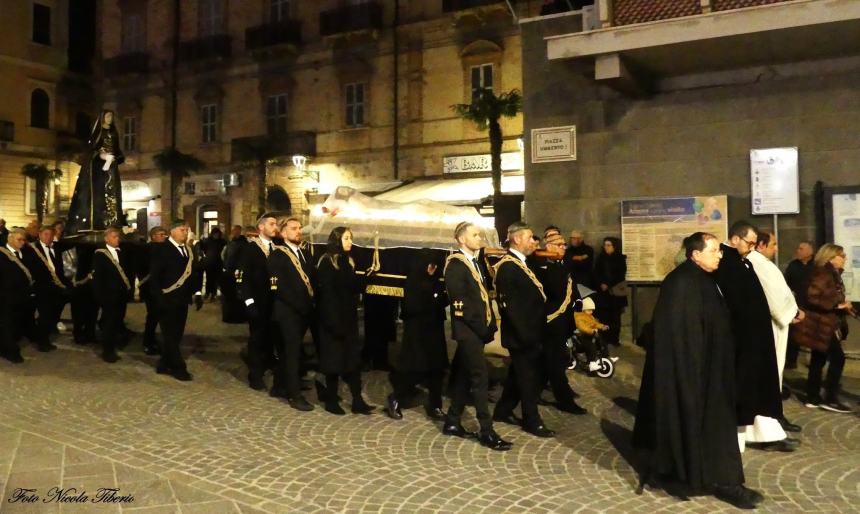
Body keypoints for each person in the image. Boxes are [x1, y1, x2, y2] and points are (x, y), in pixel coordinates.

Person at [633, 232, 762, 510]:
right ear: (696, 254)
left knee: (710, 427)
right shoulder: (682, 283)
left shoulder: (701, 279)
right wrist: (696, 375)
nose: (720, 254)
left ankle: (699, 474)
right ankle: (725, 483)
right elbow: (680, 336)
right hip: (699, 374)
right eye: (714, 250)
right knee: (710, 427)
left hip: (710, 371)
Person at [714, 221, 791, 453]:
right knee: (743, 393)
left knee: (753, 392)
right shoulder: (727, 264)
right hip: (741, 342)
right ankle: (736, 442)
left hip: (753, 339)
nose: (752, 247)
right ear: (735, 239)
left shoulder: (741, 261)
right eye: (749, 242)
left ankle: (760, 433)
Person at [443, 222, 511, 451]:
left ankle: (452, 421)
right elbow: (460, 304)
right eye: (475, 235)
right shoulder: (456, 265)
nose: (480, 238)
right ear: (462, 240)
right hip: (468, 330)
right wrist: (481, 328)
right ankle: (486, 431)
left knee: (463, 376)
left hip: (477, 329)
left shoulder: (475, 263)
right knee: (480, 377)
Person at [492, 222, 555, 438]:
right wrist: (527, 336)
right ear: (517, 239)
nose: (534, 241)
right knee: (530, 380)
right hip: (522, 336)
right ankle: (532, 420)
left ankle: (502, 410)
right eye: (530, 237)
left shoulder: (523, 264)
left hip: (531, 332)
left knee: (517, 376)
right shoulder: (508, 267)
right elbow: (510, 307)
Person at [746, 230, 805, 437]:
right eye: (773, 244)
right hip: (769, 325)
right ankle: (770, 421)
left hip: (777, 323)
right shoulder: (756, 263)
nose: (777, 248)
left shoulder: (760, 262)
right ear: (760, 245)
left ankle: (774, 417)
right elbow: (773, 295)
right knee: (770, 372)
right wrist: (792, 313)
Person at [315, 227, 375, 415]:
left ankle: (358, 401)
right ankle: (331, 400)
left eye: (351, 238)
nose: (350, 242)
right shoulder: (327, 262)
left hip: (348, 318)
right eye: (346, 238)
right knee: (334, 361)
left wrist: (367, 276)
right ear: (337, 240)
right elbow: (327, 295)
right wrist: (332, 322)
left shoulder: (348, 261)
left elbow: (352, 287)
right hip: (332, 319)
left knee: (352, 361)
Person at [384, 249, 449, 421]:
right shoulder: (413, 281)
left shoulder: (435, 281)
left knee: (436, 370)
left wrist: (436, 297)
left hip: (434, 330)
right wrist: (433, 298)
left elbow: (441, 301)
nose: (432, 269)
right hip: (418, 333)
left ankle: (435, 405)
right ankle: (395, 398)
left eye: (435, 265)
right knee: (415, 370)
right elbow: (411, 307)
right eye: (430, 265)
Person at [791, 244, 854, 413]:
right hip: (819, 324)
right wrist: (836, 305)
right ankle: (830, 398)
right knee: (837, 358)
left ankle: (812, 397)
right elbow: (812, 297)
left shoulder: (831, 273)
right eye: (842, 255)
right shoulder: (823, 273)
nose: (845, 258)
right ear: (832, 257)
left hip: (823, 323)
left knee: (818, 359)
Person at [532, 231, 586, 415]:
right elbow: (554, 290)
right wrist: (561, 265)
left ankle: (533, 393)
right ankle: (565, 400)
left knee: (546, 360)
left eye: (565, 245)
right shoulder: (543, 266)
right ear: (550, 247)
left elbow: (572, 286)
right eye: (560, 245)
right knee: (556, 361)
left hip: (563, 320)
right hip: (551, 320)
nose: (564, 248)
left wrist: (578, 302)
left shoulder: (561, 264)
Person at [268, 218, 315, 412]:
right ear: (283, 233)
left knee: (291, 352)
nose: (298, 232)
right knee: (292, 353)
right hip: (287, 312)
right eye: (293, 229)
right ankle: (294, 395)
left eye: (299, 228)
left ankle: (280, 385)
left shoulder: (303, 253)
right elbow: (276, 287)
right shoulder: (277, 255)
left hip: (302, 311)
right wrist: (298, 304)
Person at [149, 220, 203, 381]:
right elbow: (155, 277)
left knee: (176, 334)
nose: (185, 233)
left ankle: (164, 363)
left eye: (186, 230)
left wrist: (198, 292)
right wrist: (158, 299)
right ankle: (178, 368)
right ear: (172, 231)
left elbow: (194, 274)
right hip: (167, 298)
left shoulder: (188, 250)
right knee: (170, 335)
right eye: (182, 230)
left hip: (182, 300)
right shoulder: (162, 249)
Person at [66, 110, 125, 235]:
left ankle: (113, 221)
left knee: (113, 191)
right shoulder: (98, 132)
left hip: (111, 166)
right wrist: (101, 155)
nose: (110, 118)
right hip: (98, 168)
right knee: (99, 192)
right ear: (103, 118)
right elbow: (92, 149)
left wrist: (117, 157)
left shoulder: (113, 132)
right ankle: (99, 221)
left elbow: (117, 148)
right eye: (108, 116)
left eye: (111, 116)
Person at [238, 214, 280, 391]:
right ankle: (255, 374)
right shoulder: (250, 249)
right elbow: (242, 277)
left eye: (276, 224)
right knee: (257, 339)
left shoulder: (278, 248)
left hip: (276, 302)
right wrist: (249, 302)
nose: (275, 227)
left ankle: (270, 364)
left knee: (272, 337)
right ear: (261, 227)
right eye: (271, 224)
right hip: (257, 301)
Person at [24, 225, 69, 351]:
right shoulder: (32, 249)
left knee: (51, 314)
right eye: (46, 234)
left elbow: (58, 270)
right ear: (40, 234)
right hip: (41, 288)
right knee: (45, 315)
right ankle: (43, 342)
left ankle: (43, 334)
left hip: (55, 287)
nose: (48, 237)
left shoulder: (55, 249)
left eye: (50, 235)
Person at [92, 227, 132, 363]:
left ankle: (114, 343)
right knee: (109, 322)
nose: (117, 239)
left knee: (117, 321)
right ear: (106, 239)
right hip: (109, 295)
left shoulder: (122, 253)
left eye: (118, 236)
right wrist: (101, 297)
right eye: (114, 237)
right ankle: (107, 350)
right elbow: (99, 278)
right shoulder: (100, 254)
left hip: (121, 294)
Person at [0, 229, 34, 363]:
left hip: (22, 296)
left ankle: (8, 345)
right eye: (19, 239)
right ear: (10, 239)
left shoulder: (25, 253)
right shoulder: (2, 254)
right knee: (6, 324)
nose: (22, 242)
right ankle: (10, 351)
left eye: (23, 240)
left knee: (16, 323)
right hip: (6, 296)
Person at [784, 241, 815, 370]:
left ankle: (814, 362)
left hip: (812, 305)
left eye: (801, 248)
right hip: (797, 304)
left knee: (813, 335)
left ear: (809, 252)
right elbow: (786, 282)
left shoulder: (816, 266)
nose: (798, 250)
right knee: (793, 335)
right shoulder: (793, 265)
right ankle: (791, 362)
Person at [138, 226, 168, 355]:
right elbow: (143, 269)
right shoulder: (147, 249)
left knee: (159, 316)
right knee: (153, 316)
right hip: (150, 288)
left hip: (163, 288)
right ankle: (148, 342)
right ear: (153, 236)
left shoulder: (165, 248)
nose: (163, 236)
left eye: (164, 234)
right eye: (160, 234)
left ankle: (154, 340)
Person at [594, 237, 627, 345]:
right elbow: (596, 273)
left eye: (609, 245)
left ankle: (614, 339)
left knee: (615, 317)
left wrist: (608, 284)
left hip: (615, 292)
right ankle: (604, 338)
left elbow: (620, 274)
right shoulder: (600, 258)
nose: (606, 247)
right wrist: (601, 283)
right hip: (603, 293)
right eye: (605, 245)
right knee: (604, 316)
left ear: (614, 246)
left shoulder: (620, 258)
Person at [574, 296, 614, 372]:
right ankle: (591, 363)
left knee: (601, 341)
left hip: (589, 335)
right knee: (591, 347)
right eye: (589, 310)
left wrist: (602, 326)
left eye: (592, 310)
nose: (591, 312)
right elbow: (582, 327)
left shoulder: (590, 316)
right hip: (582, 336)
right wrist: (591, 331)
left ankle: (606, 356)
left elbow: (595, 323)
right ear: (583, 309)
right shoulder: (579, 317)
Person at [220, 225, 249, 324]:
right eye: (233, 231)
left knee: (238, 294)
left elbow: (243, 259)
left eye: (236, 231)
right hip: (229, 272)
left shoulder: (243, 243)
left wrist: (239, 271)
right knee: (229, 294)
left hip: (238, 272)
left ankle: (238, 316)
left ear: (240, 231)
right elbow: (225, 255)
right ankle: (229, 316)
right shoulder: (231, 242)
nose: (234, 232)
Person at [200, 227, 226, 300]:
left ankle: (213, 294)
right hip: (209, 263)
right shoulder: (208, 241)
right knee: (209, 279)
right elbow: (204, 249)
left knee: (216, 280)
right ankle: (208, 293)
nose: (216, 235)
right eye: (215, 234)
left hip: (218, 263)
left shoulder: (222, 241)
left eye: (217, 234)